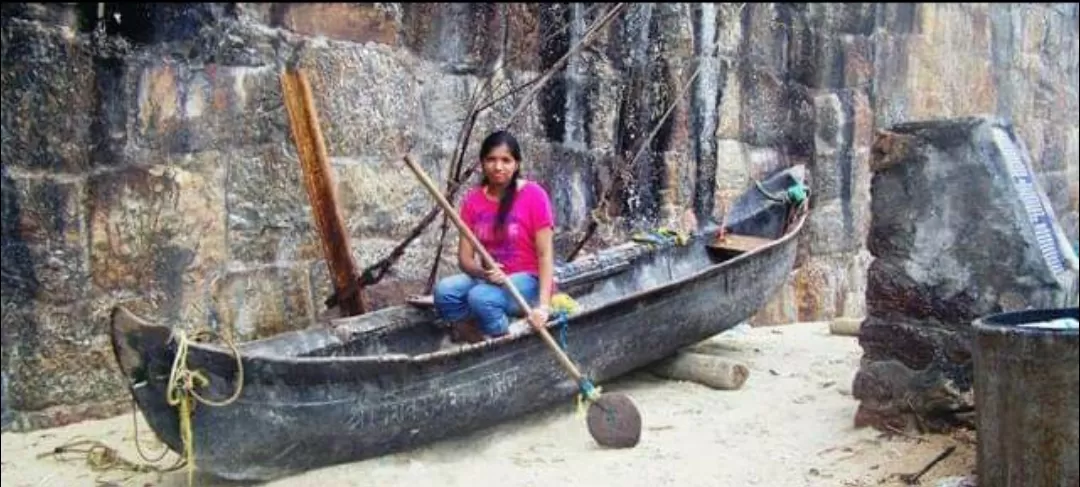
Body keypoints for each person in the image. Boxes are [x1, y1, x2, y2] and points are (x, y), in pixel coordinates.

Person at [433, 130, 556, 343]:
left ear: (516, 164)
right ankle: (475, 334)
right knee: (445, 292)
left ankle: (503, 333)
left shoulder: (535, 195)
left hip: (529, 280)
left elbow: (545, 256)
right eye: (491, 159)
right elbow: (465, 260)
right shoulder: (472, 201)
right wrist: (484, 272)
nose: (498, 167)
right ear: (482, 162)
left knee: (480, 297)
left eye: (506, 160)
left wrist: (544, 307)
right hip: (490, 280)